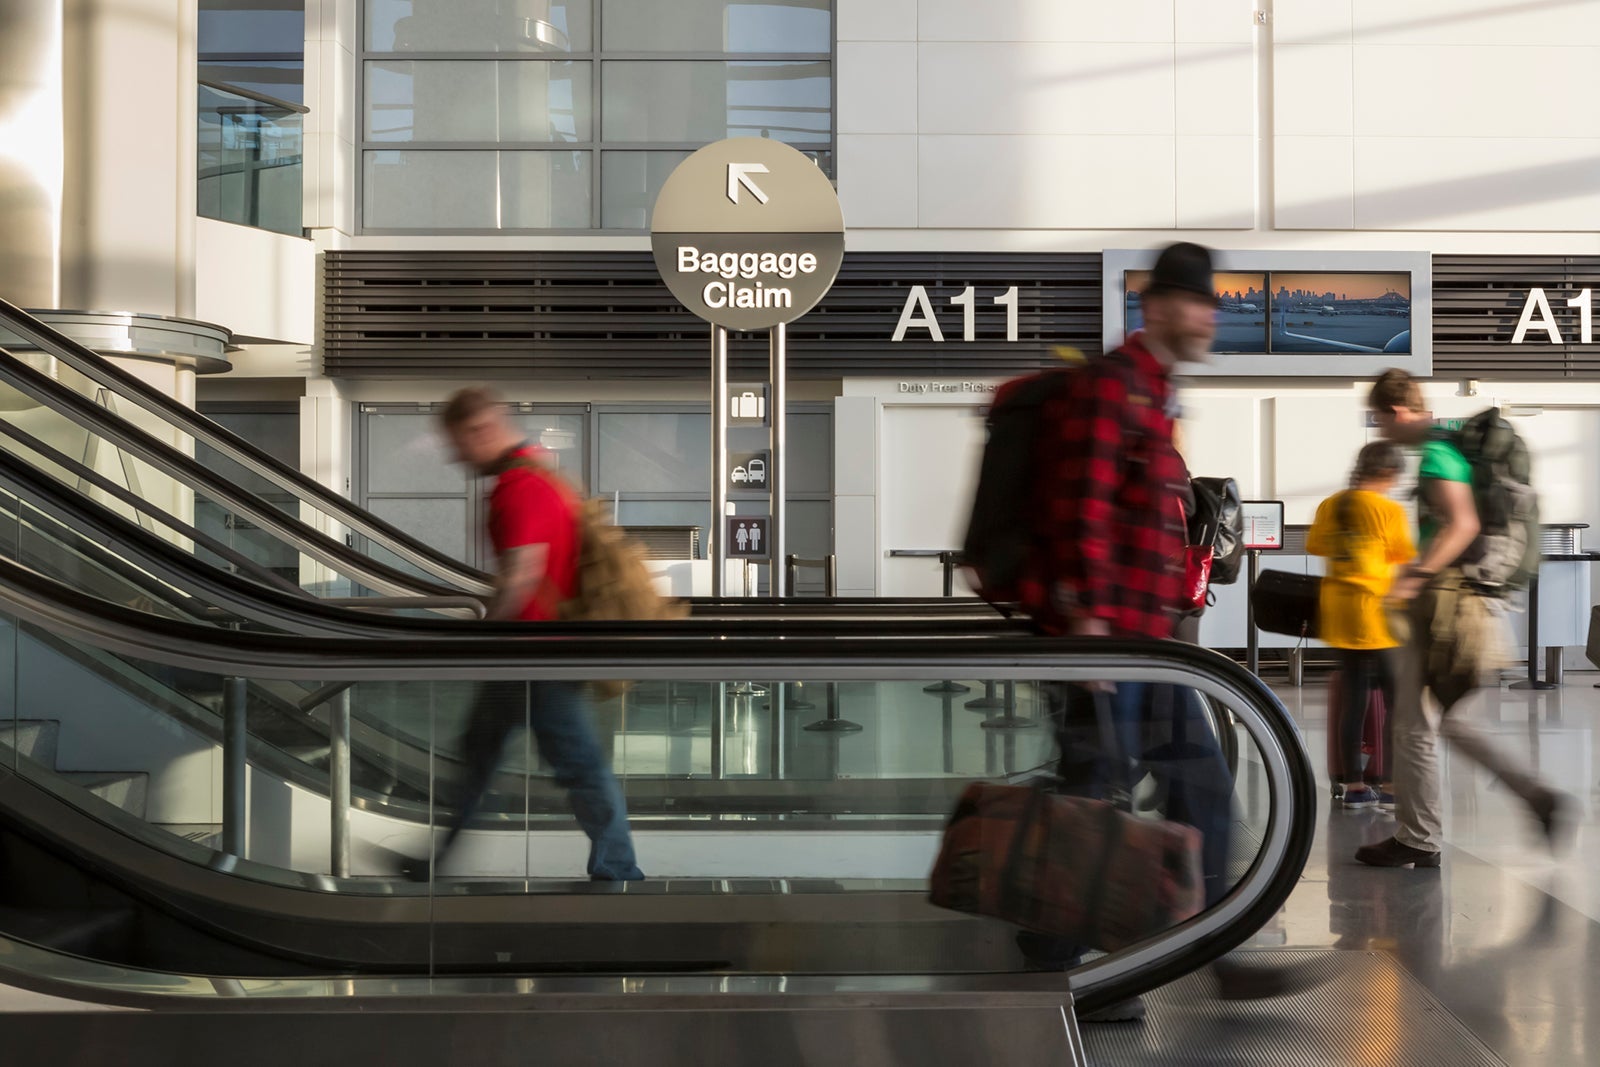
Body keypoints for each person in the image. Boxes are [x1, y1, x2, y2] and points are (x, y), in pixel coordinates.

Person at [1021, 242, 1314, 1017]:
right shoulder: (1113, 388)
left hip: (1153, 648)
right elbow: (1078, 508)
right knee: (1095, 802)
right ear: (1156, 308)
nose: (1210, 316)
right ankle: (1061, 964)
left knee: (1199, 792)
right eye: (1197, 302)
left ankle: (1208, 952)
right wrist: (1086, 629)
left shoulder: (1154, 396)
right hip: (1108, 648)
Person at [401, 387, 644, 883]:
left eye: (459, 445)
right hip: (527, 652)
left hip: (536, 654)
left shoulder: (521, 486)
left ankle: (619, 870)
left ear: (481, 430)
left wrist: (478, 634)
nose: (457, 457)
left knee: (577, 764)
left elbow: (521, 576)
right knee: (479, 754)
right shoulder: (545, 477)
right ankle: (437, 862)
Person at [1355, 369, 1570, 868]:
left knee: (1418, 725)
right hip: (1456, 600)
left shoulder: (1434, 454)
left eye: (1379, 418)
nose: (1380, 429)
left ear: (1397, 411)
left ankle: (1421, 837)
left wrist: (1416, 573)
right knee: (1435, 722)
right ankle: (1529, 798)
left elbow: (1462, 522)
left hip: (1447, 603)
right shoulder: (1442, 448)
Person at [1306, 441, 1414, 809]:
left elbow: (1316, 546)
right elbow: (1404, 555)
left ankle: (1353, 785)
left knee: (1353, 700)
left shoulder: (1330, 504)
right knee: (1400, 701)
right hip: (1377, 613)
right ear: (1386, 474)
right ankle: (1390, 783)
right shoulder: (1388, 509)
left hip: (1339, 614)